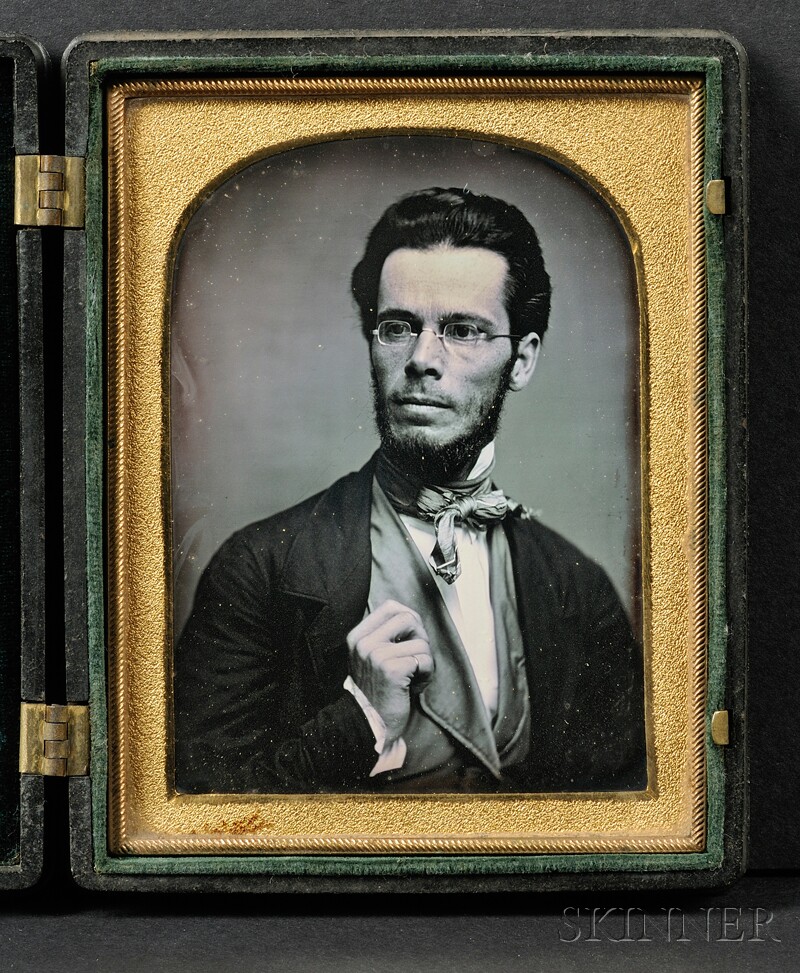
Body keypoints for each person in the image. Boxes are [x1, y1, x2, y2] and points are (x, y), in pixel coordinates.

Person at [173, 187, 647, 795]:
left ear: (522, 361)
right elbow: (200, 816)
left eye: (463, 330)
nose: (423, 358)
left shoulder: (578, 589)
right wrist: (362, 718)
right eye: (398, 327)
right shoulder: (259, 569)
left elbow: (620, 813)